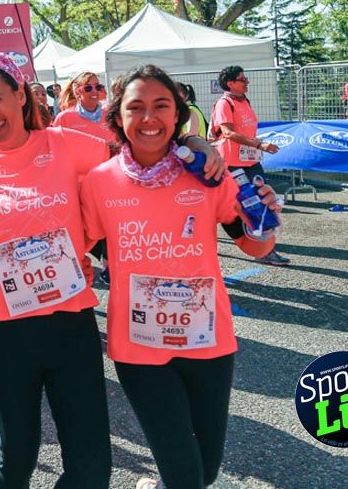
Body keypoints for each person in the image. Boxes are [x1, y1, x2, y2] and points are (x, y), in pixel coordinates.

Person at [0, 53, 226, 489]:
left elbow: (140, 147)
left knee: (91, 466)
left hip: (69, 326)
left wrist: (193, 143)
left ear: (21, 96)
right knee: (18, 457)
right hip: (2, 332)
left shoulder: (64, 143)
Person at [79, 65, 281, 489]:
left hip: (207, 341)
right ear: (118, 117)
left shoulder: (208, 174)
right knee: (184, 472)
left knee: (206, 469)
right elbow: (80, 243)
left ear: (177, 116)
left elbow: (255, 247)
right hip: (138, 346)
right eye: (136, 107)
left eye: (161, 106)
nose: (149, 118)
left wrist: (265, 219)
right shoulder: (99, 182)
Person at [210, 66, 289, 266]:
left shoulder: (244, 101)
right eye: (242, 79)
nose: (247, 82)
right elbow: (227, 133)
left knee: (262, 204)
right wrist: (259, 145)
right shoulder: (224, 103)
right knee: (237, 207)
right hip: (231, 165)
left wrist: (256, 146)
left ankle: (265, 250)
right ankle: (208, 244)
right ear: (230, 83)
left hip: (251, 163)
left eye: (246, 78)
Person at [52, 71, 114, 140]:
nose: (94, 91)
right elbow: (54, 143)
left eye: (97, 87)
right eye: (88, 88)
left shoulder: (110, 115)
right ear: (77, 92)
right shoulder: (64, 118)